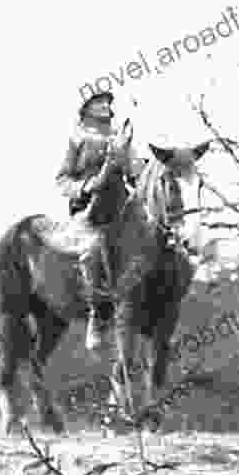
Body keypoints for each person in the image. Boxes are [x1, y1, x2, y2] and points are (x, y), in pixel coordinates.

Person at [55, 91, 137, 351]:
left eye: (108, 103)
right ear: (87, 108)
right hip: (88, 210)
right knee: (92, 250)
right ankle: (98, 316)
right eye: (100, 102)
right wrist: (89, 185)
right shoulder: (76, 138)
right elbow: (62, 180)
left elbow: (135, 171)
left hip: (121, 209)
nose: (106, 106)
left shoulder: (119, 138)